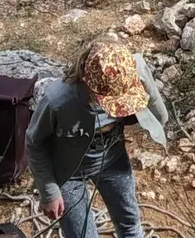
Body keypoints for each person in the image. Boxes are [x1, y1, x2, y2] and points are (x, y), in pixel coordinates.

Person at [26, 40, 169, 238]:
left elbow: (160, 118)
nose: (117, 107)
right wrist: (49, 191)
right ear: (87, 81)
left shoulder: (131, 70)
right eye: (109, 99)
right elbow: (34, 143)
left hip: (112, 158)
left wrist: (146, 86)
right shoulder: (58, 101)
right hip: (68, 172)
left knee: (130, 225)